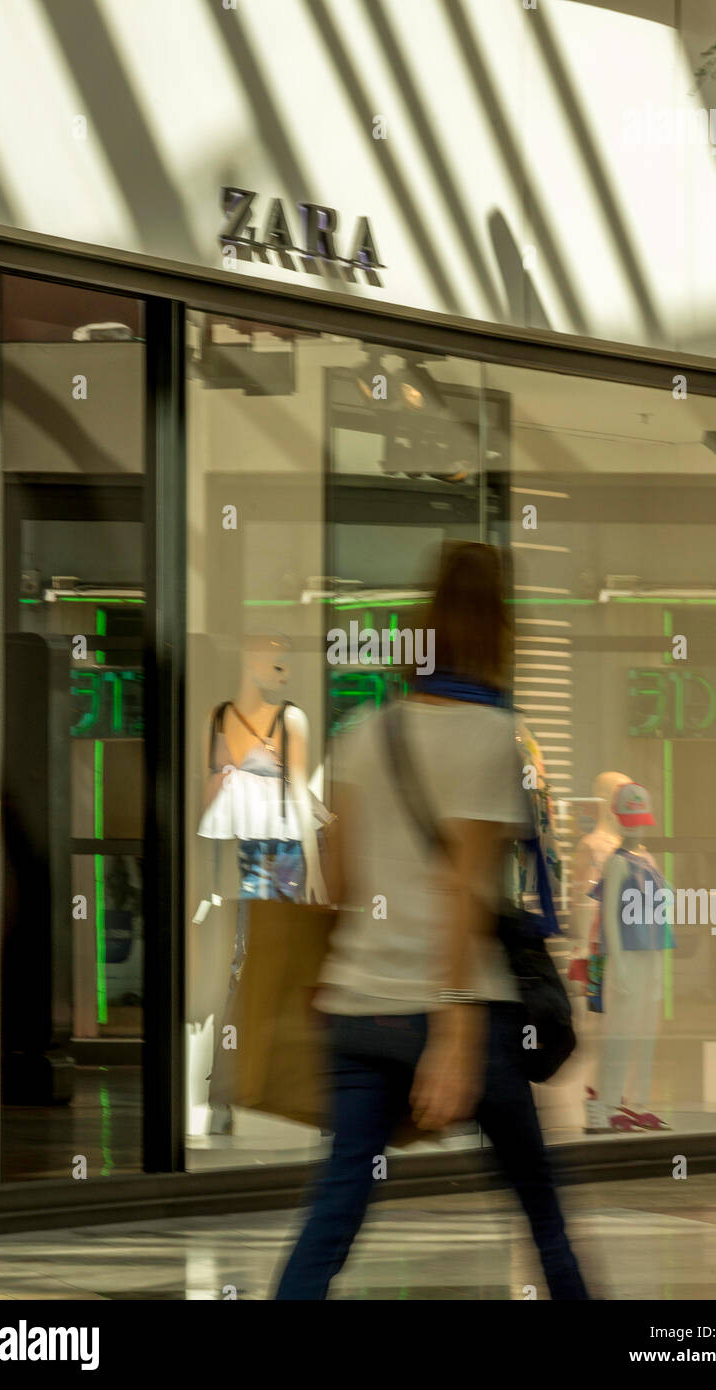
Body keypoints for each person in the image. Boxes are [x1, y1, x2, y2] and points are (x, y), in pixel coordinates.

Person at [274, 540, 588, 1300]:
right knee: (540, 1208)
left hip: (356, 1011)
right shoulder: (490, 738)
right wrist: (451, 1037)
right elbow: (461, 891)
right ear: (500, 628)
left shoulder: (362, 735)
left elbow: (340, 884)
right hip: (457, 1013)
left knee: (335, 1211)